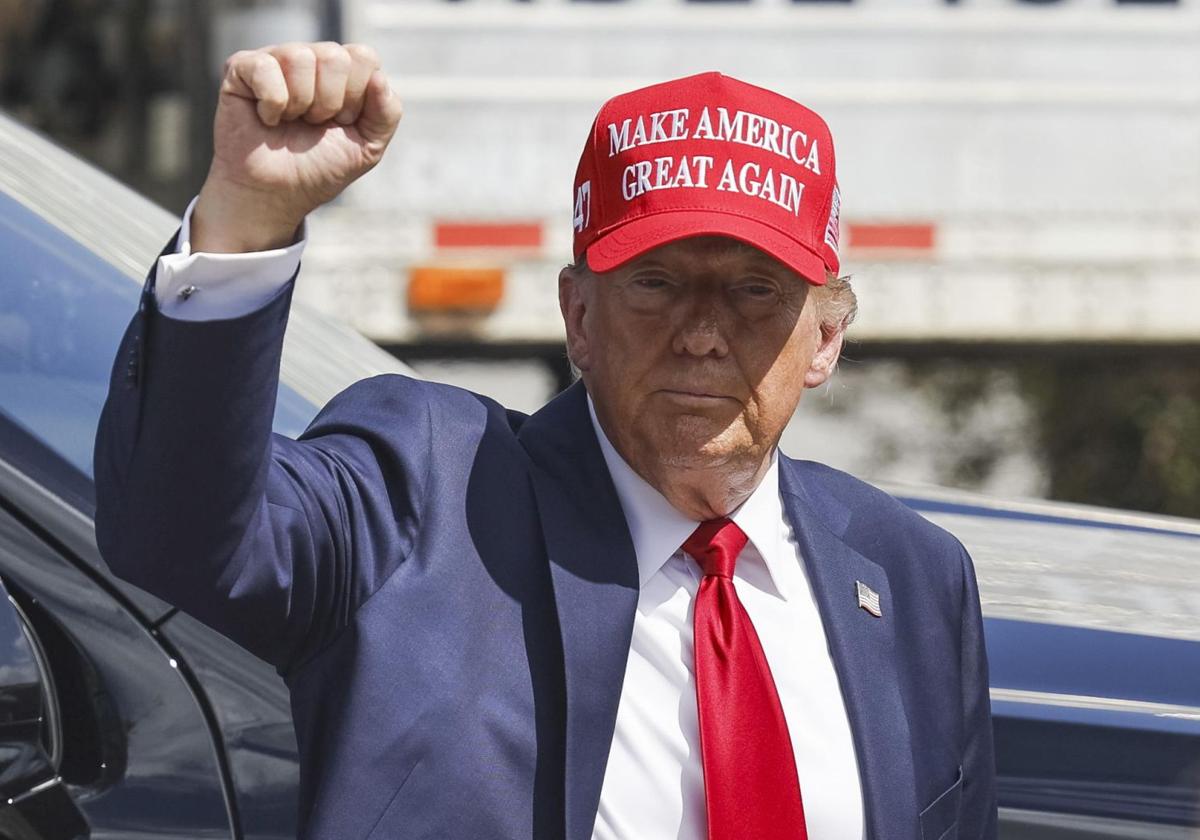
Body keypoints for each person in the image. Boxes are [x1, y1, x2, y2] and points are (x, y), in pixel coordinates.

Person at [94, 42, 997, 840]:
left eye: (756, 292)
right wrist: (246, 224)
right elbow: (180, 533)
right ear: (577, 317)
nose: (702, 333)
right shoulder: (428, 489)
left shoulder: (911, 575)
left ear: (826, 340)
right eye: (656, 283)